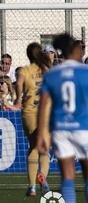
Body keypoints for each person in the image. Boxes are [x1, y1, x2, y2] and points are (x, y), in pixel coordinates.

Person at [37, 33, 88, 203]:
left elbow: (43, 106)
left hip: (60, 128)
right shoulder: (85, 72)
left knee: (67, 177)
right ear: (74, 50)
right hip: (83, 127)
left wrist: (42, 134)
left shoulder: (51, 75)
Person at [14, 42, 52, 196]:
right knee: (43, 149)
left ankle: (32, 186)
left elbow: (19, 84)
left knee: (33, 146)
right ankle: (42, 174)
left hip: (29, 113)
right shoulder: (47, 70)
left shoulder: (24, 70)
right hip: (45, 113)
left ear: (28, 55)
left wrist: (18, 98)